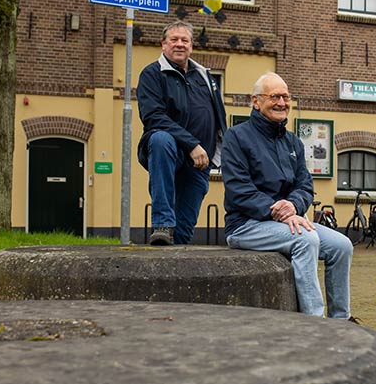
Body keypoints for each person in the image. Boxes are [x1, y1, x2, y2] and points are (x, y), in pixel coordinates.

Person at [221, 72, 356, 321]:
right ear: (256, 101)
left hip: (288, 220)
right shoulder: (236, 137)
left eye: (286, 97)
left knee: (342, 246)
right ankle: (313, 321)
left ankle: (341, 321)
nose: (282, 103)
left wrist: (292, 205)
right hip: (246, 225)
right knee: (306, 240)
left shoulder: (293, 142)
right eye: (274, 97)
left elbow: (305, 185)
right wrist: (277, 210)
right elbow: (239, 188)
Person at [136, 21, 227, 245]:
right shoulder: (152, 74)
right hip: (170, 154)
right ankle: (162, 223)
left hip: (200, 162)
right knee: (160, 138)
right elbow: (154, 117)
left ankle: (171, 269)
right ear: (163, 44)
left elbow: (219, 118)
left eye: (184, 40)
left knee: (184, 232)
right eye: (174, 40)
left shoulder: (204, 76)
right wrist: (192, 145)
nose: (179, 44)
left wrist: (222, 152)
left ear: (191, 46)